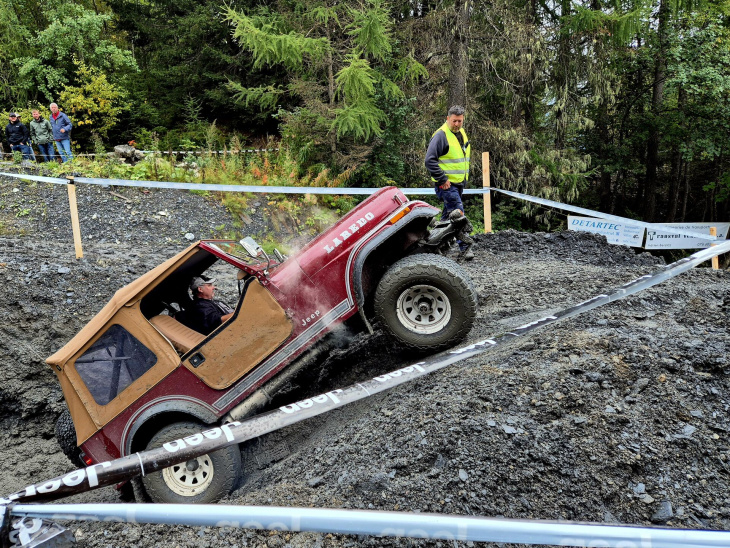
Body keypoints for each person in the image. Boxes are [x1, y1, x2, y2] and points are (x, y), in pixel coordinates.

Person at [425, 104, 474, 260]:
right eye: (454, 121)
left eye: (460, 121)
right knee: (458, 214)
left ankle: (434, 246)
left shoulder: (462, 133)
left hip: (458, 183)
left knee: (447, 219)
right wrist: (442, 178)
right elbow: (429, 160)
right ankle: (465, 248)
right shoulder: (441, 135)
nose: (457, 124)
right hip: (447, 185)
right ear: (448, 119)